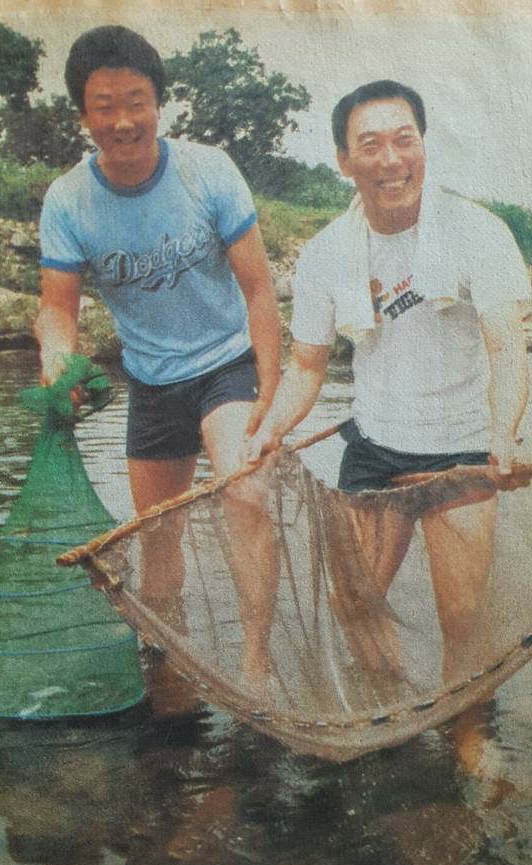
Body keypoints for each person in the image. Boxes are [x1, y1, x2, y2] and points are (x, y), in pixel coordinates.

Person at [250, 79, 530, 667]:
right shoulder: (326, 253)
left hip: (463, 447)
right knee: (353, 600)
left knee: (461, 618)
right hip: (376, 445)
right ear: (344, 161)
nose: (391, 160)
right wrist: (267, 432)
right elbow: (306, 366)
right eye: (371, 145)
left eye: (405, 140)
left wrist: (504, 434)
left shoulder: (478, 232)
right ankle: (390, 706)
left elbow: (507, 348)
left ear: (423, 144)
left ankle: (466, 740)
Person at [36, 25, 281, 680]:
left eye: (136, 101)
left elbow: (259, 289)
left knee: (246, 492)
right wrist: (58, 362)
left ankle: (256, 655)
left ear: (158, 103)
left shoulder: (208, 171)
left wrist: (271, 396)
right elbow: (57, 309)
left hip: (226, 362)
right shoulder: (68, 200)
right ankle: (168, 667)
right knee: (157, 537)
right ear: (84, 115)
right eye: (105, 106)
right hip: (151, 380)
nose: (123, 121)